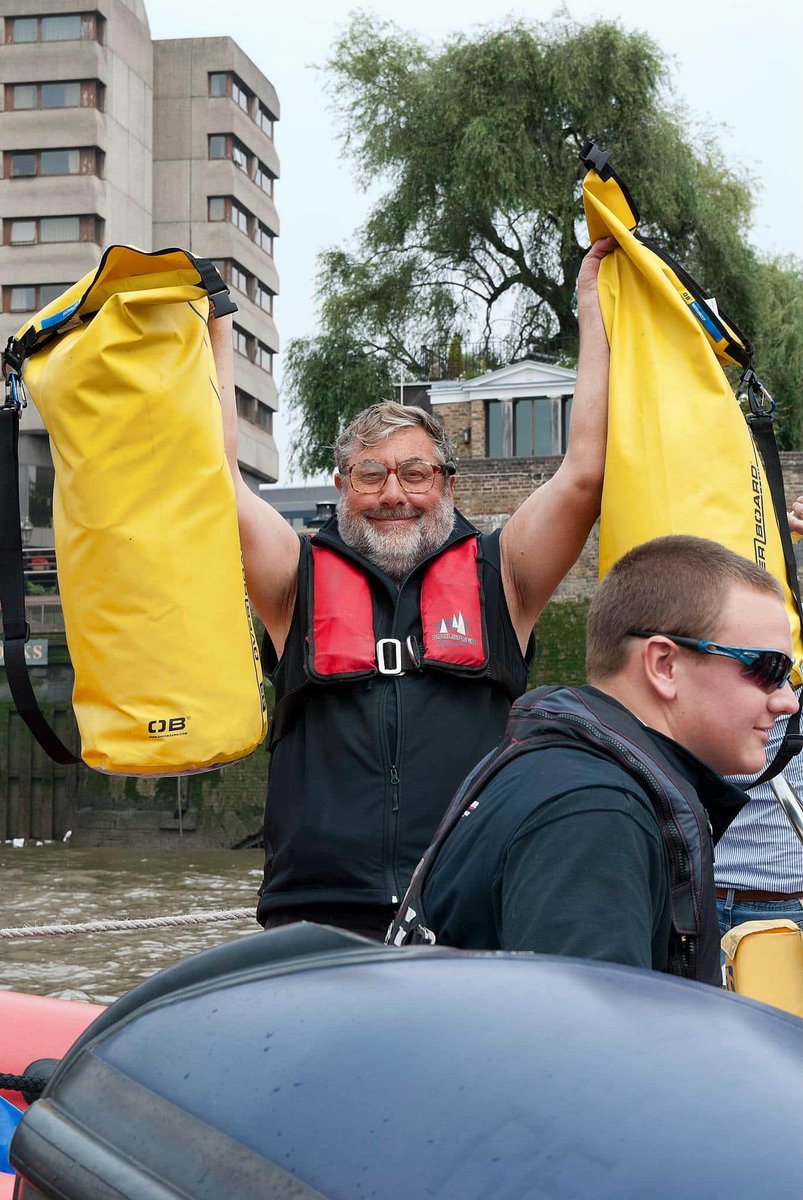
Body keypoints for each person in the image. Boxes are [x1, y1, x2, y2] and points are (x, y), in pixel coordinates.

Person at [209, 237, 614, 939]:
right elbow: (217, 484)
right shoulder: (292, 582)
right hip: (318, 911)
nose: (393, 493)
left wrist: (592, 303)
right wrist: (214, 329)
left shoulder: (504, 577)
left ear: (446, 484)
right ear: (342, 487)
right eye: (371, 475)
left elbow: (583, 473)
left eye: (415, 474)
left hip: (469, 900)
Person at [395, 536, 798, 985]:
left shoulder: (557, 764)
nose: (788, 702)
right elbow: (587, 1045)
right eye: (768, 669)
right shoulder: (596, 814)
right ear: (664, 664)